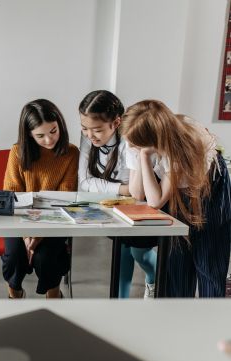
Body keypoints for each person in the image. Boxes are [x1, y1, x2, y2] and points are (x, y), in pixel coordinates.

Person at [121, 100, 231, 297]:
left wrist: (144, 156)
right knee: (176, 264)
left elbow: (155, 201)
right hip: (177, 191)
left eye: (135, 143)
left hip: (209, 190)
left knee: (209, 264)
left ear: (153, 140)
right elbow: (137, 193)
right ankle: (176, 319)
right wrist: (142, 155)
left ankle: (213, 320)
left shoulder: (181, 147)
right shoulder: (137, 138)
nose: (129, 145)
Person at [78, 90, 157, 298]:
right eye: (84, 128)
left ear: (116, 122)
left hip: (146, 202)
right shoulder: (88, 138)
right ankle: (120, 304)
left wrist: (121, 188)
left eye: (96, 130)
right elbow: (85, 182)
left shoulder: (131, 140)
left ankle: (154, 279)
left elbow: (137, 191)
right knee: (122, 253)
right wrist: (123, 189)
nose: (89, 135)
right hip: (116, 204)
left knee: (139, 253)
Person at [3, 99, 79, 299]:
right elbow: (12, 197)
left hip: (55, 221)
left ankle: (53, 295)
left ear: (59, 124)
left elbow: (64, 198)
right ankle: (14, 293)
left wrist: (40, 233)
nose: (49, 139)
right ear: (28, 134)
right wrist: (27, 234)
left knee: (46, 259)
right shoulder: (17, 152)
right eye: (40, 135)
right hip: (18, 222)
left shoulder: (71, 153)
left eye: (53, 131)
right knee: (15, 258)